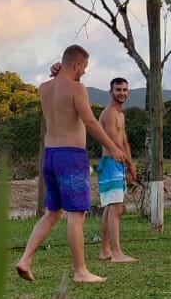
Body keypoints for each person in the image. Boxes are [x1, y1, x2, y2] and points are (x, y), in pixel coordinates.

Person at [13, 45, 131, 283]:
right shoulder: (77, 88)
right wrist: (115, 147)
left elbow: (59, 90)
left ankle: (25, 260)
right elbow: (89, 121)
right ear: (77, 64)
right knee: (76, 215)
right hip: (71, 156)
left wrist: (58, 73)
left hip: (50, 154)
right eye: (84, 67)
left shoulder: (44, 88)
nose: (84, 73)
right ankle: (81, 271)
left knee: (53, 212)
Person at [97, 76, 139, 263]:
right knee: (116, 208)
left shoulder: (121, 115)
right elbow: (114, 143)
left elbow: (124, 141)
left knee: (110, 207)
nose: (121, 93)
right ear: (111, 92)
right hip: (110, 163)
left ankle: (105, 250)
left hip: (119, 163)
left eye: (124, 90)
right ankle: (116, 253)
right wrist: (129, 164)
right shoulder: (109, 114)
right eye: (118, 90)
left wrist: (131, 164)